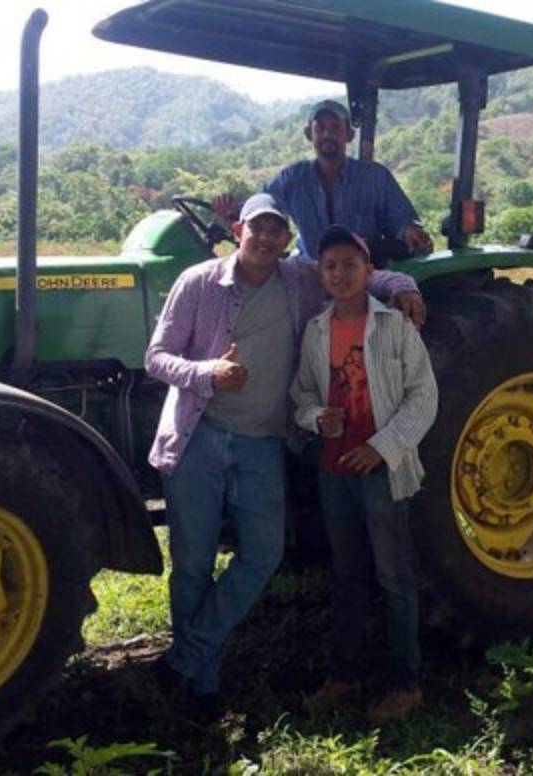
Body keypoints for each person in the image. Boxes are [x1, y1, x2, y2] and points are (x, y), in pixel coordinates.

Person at [144, 195, 424, 721]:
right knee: (192, 564)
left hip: (261, 442)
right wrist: (207, 373)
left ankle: (183, 657)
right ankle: (201, 686)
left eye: (277, 231)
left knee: (263, 554)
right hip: (199, 436)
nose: (267, 239)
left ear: (286, 239)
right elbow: (155, 357)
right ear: (238, 230)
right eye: (259, 229)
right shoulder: (197, 282)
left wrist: (405, 284)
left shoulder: (298, 279)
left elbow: (356, 274)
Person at [292, 224, 438, 723]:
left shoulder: (394, 326)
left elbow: (424, 397)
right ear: (321, 275)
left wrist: (383, 447)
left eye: (350, 265)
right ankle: (345, 675)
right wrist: (316, 418)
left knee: (394, 577)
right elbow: (301, 395)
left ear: (368, 271)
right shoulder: (316, 331)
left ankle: (405, 684)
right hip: (334, 470)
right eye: (330, 266)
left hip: (381, 469)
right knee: (349, 575)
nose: (340, 274)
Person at [263, 99, 435, 261]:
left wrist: (411, 232)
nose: (327, 134)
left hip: (363, 272)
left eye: (335, 127)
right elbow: (262, 204)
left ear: (349, 134)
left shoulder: (375, 177)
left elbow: (401, 219)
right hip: (309, 272)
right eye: (320, 128)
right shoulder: (291, 178)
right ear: (309, 134)